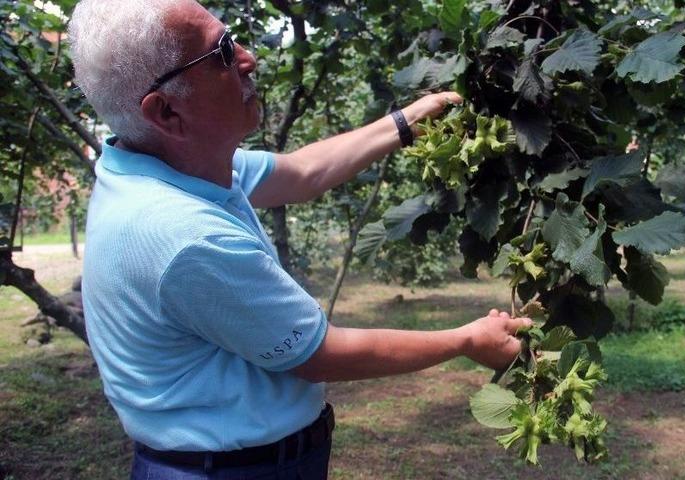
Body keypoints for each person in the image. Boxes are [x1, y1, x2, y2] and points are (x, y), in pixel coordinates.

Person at [68, 0, 531, 478]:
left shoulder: (170, 166)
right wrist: (465, 340)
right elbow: (318, 354)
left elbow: (303, 172)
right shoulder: (183, 237)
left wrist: (406, 121)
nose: (249, 58)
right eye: (223, 53)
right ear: (166, 111)